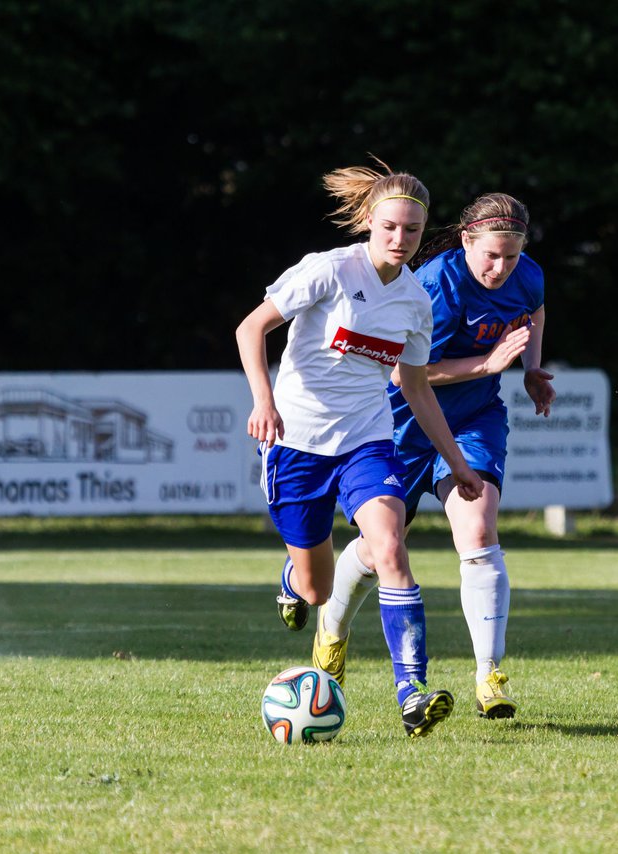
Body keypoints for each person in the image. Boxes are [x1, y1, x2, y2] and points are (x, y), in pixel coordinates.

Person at [235, 159, 484, 738]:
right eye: (390, 227)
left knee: (390, 546)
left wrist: (458, 464)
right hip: (295, 443)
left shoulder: (416, 302)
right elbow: (252, 329)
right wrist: (262, 401)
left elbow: (415, 387)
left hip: (366, 441)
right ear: (369, 221)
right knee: (319, 587)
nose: (400, 239)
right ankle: (295, 582)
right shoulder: (328, 270)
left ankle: (412, 692)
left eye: (413, 231)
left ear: (424, 234)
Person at [311, 193, 554, 720]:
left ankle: (488, 673)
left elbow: (534, 310)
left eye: (511, 257)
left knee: (479, 528)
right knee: (381, 550)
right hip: (402, 424)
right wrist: (488, 364)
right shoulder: (435, 285)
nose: (501, 267)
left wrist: (531, 368)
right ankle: (331, 629)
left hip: (472, 421)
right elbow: (406, 376)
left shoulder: (527, 274)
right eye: (491, 255)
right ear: (466, 240)